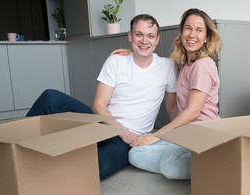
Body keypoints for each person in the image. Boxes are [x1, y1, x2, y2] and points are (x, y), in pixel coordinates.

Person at [26, 14, 178, 180]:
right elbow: (98, 105)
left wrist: (176, 136)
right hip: (102, 123)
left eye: (150, 36)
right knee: (50, 97)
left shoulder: (167, 67)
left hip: (129, 141)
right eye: (138, 34)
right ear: (130, 36)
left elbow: (172, 108)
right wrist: (123, 131)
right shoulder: (116, 62)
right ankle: (15, 151)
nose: (144, 40)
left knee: (98, 165)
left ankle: (53, 164)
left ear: (157, 39)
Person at [114, 8, 222, 180]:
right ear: (181, 32)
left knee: (170, 167)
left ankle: (215, 160)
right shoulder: (186, 61)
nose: (192, 34)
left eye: (199, 30)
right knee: (135, 153)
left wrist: (156, 135)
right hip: (185, 134)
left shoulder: (203, 65)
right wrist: (134, 52)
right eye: (188, 28)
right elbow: (159, 61)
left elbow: (193, 111)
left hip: (203, 134)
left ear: (207, 36)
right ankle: (190, 159)